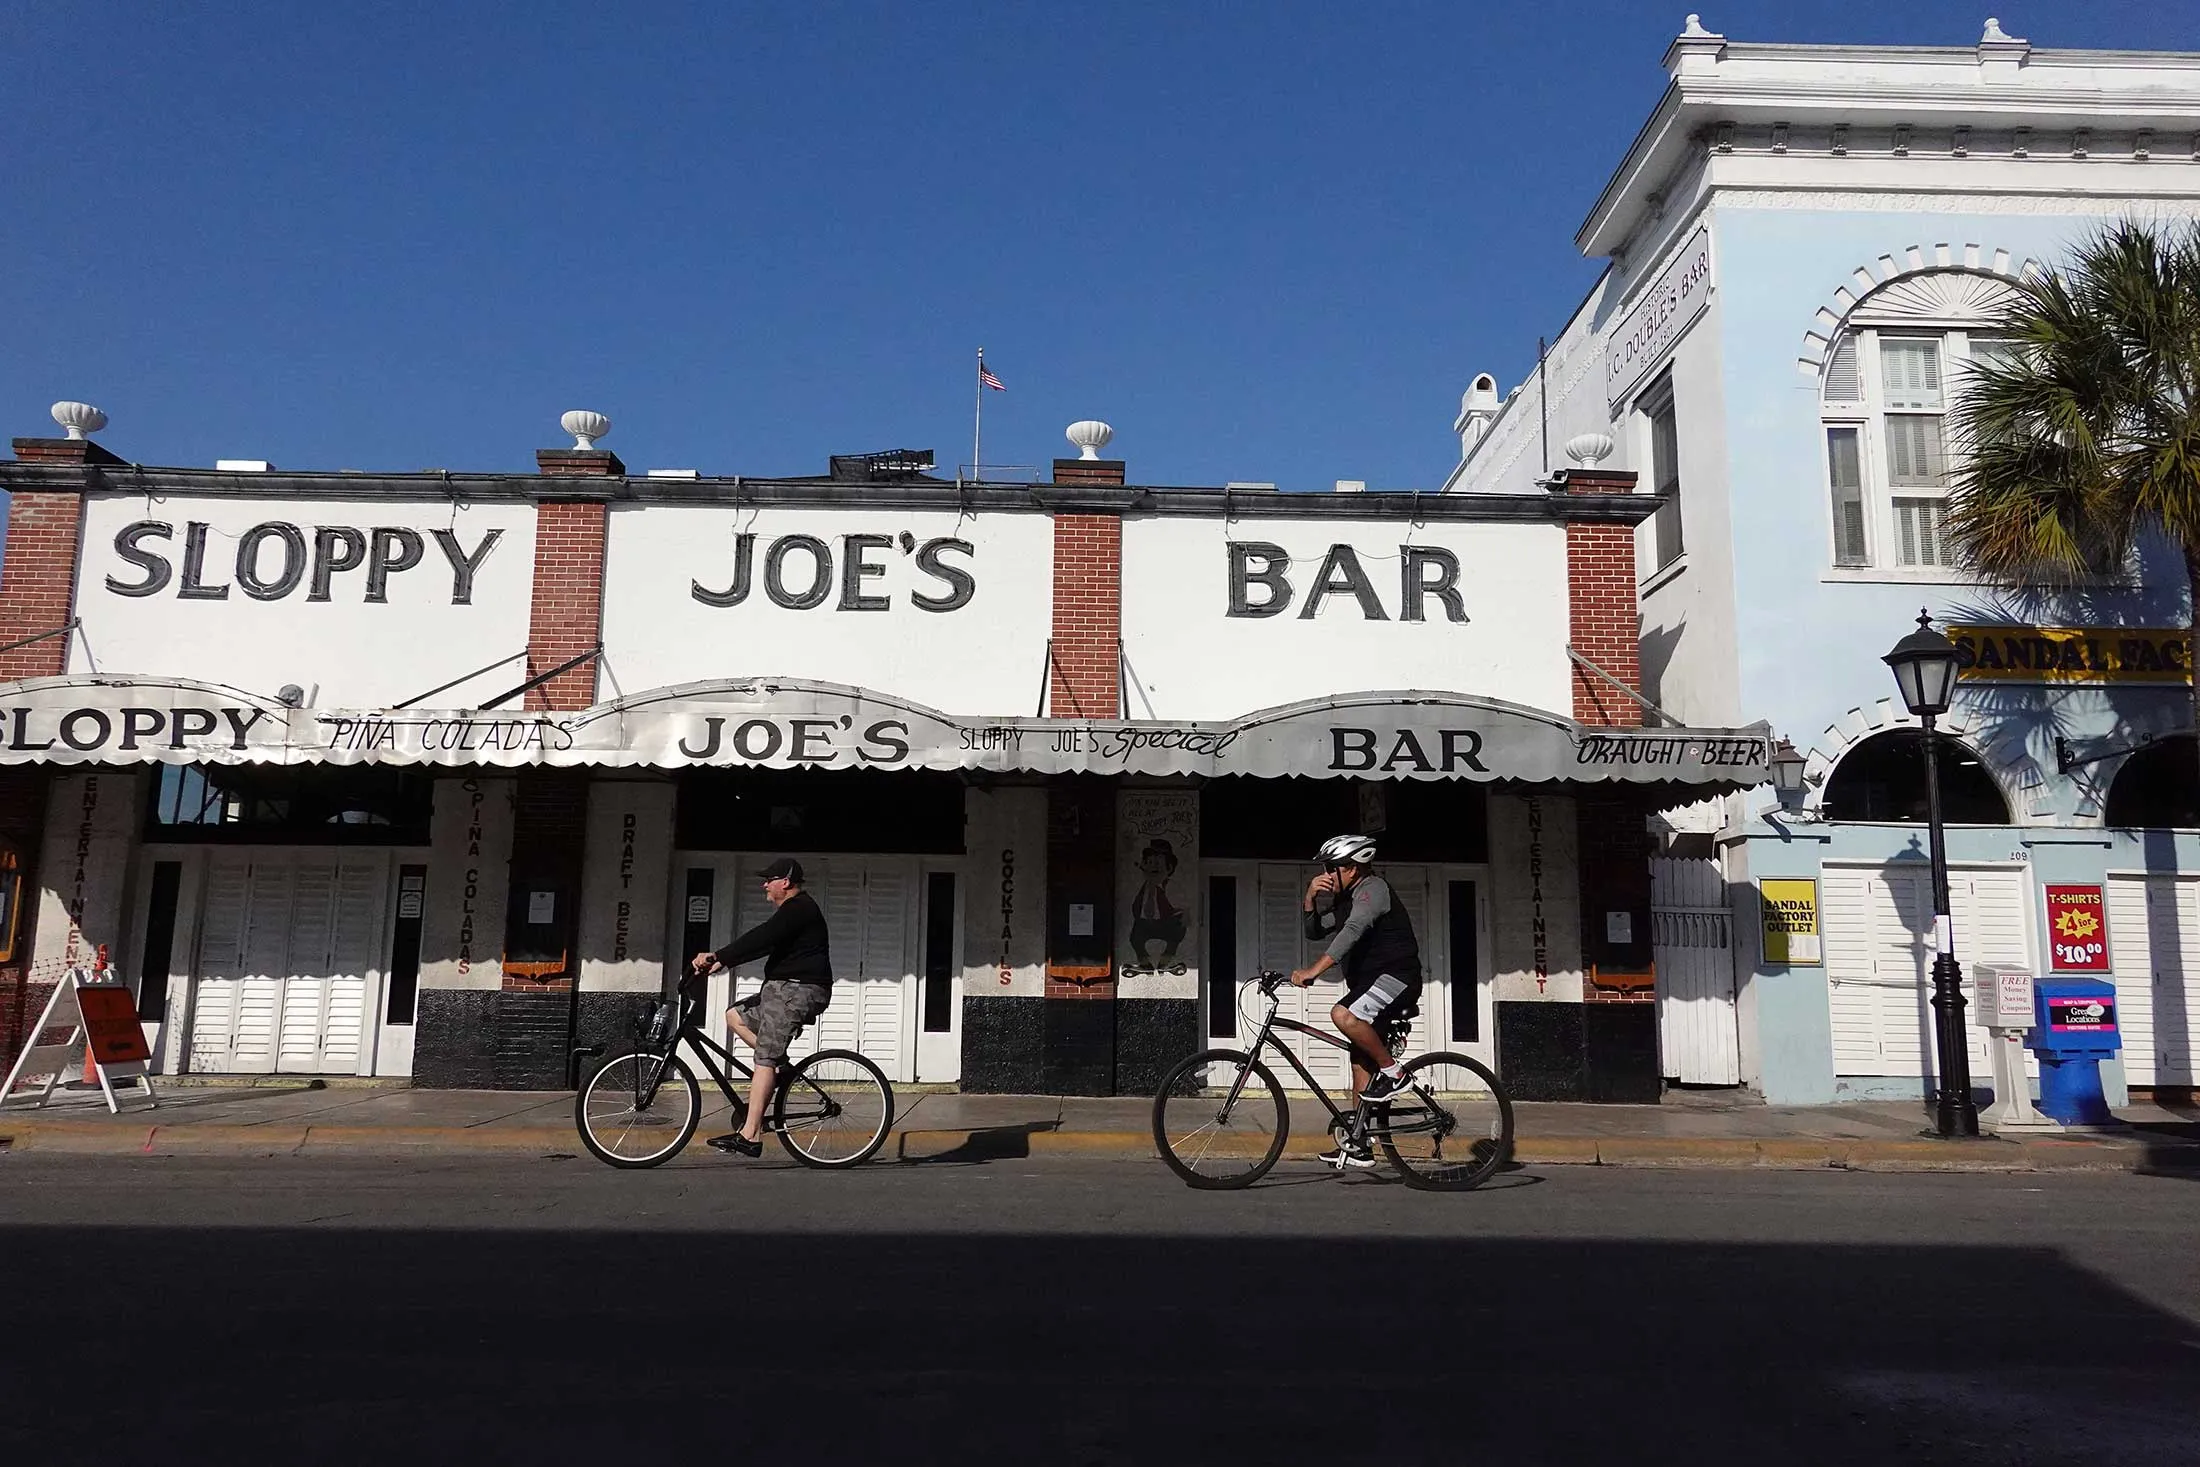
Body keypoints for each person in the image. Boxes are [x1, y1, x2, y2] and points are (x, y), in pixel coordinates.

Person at [1290, 833, 1422, 1170]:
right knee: (1360, 1062)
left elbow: (1352, 931)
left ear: (1351, 867)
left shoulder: (1372, 890)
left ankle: (1396, 1075)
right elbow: (1316, 931)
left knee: (1343, 1014)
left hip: (1397, 979)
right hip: (1371, 983)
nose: (1326, 873)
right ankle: (1360, 1143)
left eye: (1330, 867)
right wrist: (1309, 899)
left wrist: (1313, 971)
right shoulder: (1348, 898)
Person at [687, 856, 831, 1157]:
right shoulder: (790, 913)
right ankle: (777, 1066)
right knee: (734, 1016)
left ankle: (750, 1135)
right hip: (781, 989)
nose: (764, 884)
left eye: (770, 879)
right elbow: (764, 944)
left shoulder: (800, 908)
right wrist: (724, 961)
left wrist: (719, 955)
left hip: (799, 989)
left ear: (786, 882)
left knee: (764, 1057)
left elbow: (763, 936)